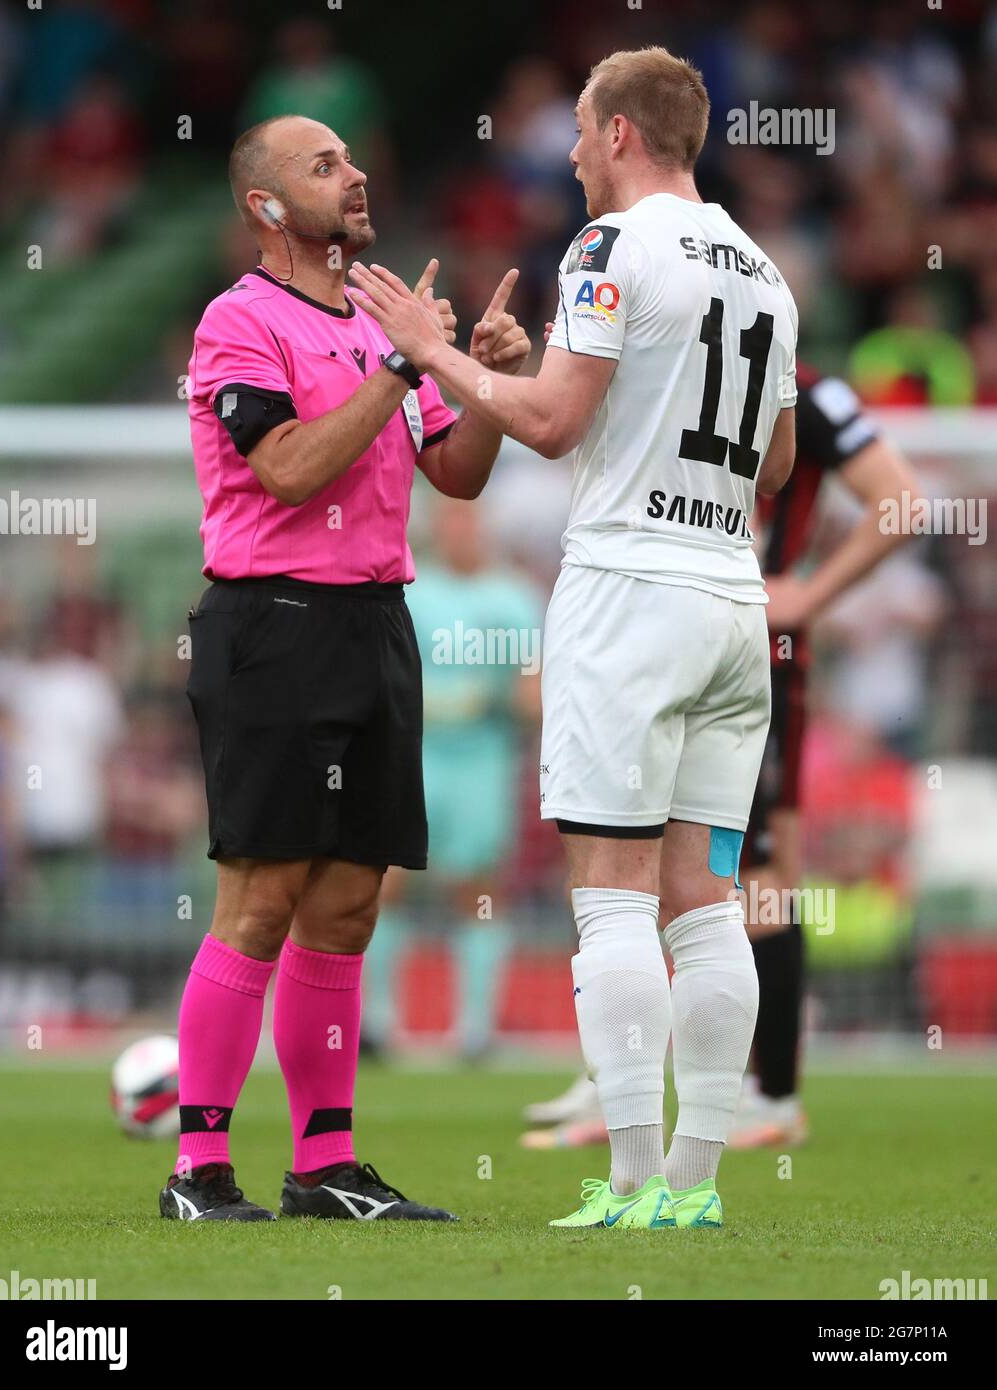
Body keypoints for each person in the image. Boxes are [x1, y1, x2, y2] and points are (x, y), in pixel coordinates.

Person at [351, 45, 797, 1230]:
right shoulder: (766, 270)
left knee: (609, 896)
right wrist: (542, 378)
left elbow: (548, 426)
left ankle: (636, 1180)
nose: (565, 153)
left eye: (579, 131)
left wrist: (434, 351)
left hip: (629, 596)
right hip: (731, 602)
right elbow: (781, 462)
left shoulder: (607, 248)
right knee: (703, 897)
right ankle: (696, 1192)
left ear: (615, 135)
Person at [165, 113, 530, 1223]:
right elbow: (282, 468)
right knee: (262, 897)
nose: (357, 172)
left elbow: (454, 474)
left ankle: (324, 1165)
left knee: (348, 905)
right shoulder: (239, 321)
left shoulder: (379, 315)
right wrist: (399, 358)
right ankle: (199, 1170)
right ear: (267, 208)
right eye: (324, 164)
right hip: (271, 624)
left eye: (353, 158)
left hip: (375, 620)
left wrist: (487, 384)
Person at [519, 366, 921, 1151]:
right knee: (648, 870)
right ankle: (632, 1081)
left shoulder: (804, 387)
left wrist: (806, 593)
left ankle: (768, 1095)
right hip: (656, 635)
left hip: (746, 646)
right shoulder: (659, 364)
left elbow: (901, 500)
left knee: (750, 881)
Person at [363, 496, 542, 1059]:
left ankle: (475, 1030)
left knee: (477, 890)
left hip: (481, 764)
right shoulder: (410, 592)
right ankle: (376, 1025)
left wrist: (490, 698)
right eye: (450, 520)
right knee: (385, 882)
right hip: (411, 758)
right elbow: (379, 676)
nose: (459, 530)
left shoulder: (514, 599)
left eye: (469, 521)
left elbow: (536, 693)